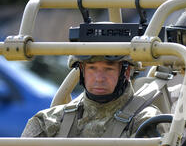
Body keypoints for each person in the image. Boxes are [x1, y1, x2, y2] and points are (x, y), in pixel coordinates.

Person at [21, 55, 160, 138]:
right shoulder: (48, 122)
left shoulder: (146, 121)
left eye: (108, 69)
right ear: (82, 71)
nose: (99, 78)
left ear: (126, 72)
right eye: (92, 68)